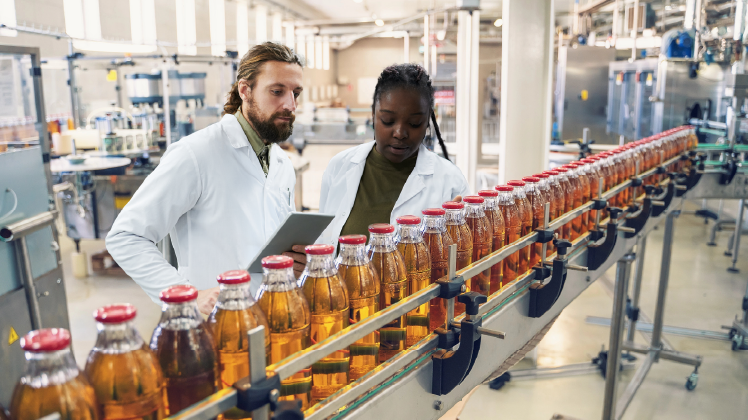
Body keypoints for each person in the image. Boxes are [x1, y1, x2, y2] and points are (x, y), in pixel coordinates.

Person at [106, 42, 303, 314]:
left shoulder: (280, 162)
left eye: (296, 93)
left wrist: (291, 261)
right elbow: (126, 236)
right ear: (245, 90)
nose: (290, 104)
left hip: (273, 314)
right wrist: (186, 297)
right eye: (277, 91)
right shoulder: (195, 154)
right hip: (215, 321)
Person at [285, 63, 469, 276]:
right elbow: (329, 248)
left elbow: (459, 269)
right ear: (373, 115)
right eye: (388, 120)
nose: (400, 133)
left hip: (413, 307)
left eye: (415, 123)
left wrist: (449, 242)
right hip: (346, 307)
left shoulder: (450, 182)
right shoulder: (340, 167)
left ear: (427, 122)